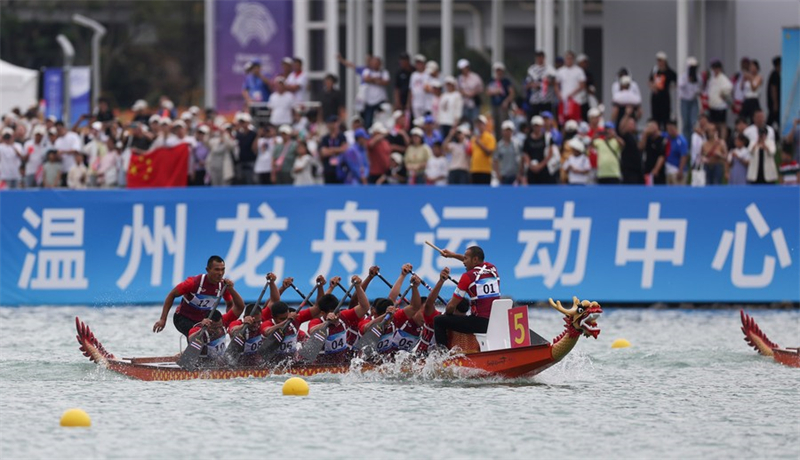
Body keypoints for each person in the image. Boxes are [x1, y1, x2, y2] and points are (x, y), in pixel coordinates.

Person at [153, 255, 246, 337]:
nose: (220, 273)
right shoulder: (193, 283)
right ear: (208, 270)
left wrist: (226, 323)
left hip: (204, 321)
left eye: (223, 269)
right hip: (182, 318)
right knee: (200, 335)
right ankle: (193, 352)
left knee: (211, 333)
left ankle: (189, 353)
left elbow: (230, 304)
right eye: (217, 270)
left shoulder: (223, 286)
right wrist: (163, 319)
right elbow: (171, 295)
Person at [433, 246, 500, 349]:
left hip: (481, 324)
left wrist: (447, 315)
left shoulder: (467, 277)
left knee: (439, 321)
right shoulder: (492, 268)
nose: (463, 262)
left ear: (475, 259)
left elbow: (451, 306)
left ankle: (443, 356)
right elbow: (474, 262)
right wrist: (453, 255)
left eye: (466, 259)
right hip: (496, 321)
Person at [306, 275, 371, 363]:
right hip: (321, 366)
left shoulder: (343, 316)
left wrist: (358, 287)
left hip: (342, 364)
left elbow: (364, 307)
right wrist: (326, 323)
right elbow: (311, 331)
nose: (336, 315)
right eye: (332, 312)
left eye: (337, 312)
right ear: (322, 313)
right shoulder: (316, 321)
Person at [555, 51, 586, 123]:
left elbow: (582, 85)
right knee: (563, 121)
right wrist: (559, 94)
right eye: (567, 58)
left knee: (575, 121)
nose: (569, 60)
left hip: (575, 100)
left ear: (573, 59)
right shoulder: (560, 71)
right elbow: (556, 84)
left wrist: (572, 93)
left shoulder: (579, 71)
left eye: (570, 58)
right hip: (564, 100)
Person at [486, 62, 515, 139]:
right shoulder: (492, 81)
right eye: (497, 70)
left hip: (503, 106)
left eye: (500, 70)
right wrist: (495, 91)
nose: (498, 72)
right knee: (495, 124)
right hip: (494, 105)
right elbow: (488, 92)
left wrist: (506, 101)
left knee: (503, 123)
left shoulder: (506, 81)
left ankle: (504, 138)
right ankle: (497, 139)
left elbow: (511, 93)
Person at [648, 51, 677, 129]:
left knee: (665, 118)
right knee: (655, 118)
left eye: (660, 61)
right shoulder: (655, 70)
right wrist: (653, 87)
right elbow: (650, 81)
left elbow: (676, 81)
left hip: (664, 98)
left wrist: (671, 87)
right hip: (656, 97)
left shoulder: (669, 72)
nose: (659, 63)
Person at [360, 56, 391, 129]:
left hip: (380, 100)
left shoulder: (384, 72)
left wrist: (373, 80)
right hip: (369, 101)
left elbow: (386, 82)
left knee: (383, 120)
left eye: (377, 63)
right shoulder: (367, 71)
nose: (375, 65)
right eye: (373, 63)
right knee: (368, 122)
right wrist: (377, 80)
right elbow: (366, 79)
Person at [525, 50, 557, 117]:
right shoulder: (531, 70)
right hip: (535, 100)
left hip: (547, 100)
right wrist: (534, 85)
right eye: (538, 57)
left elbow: (555, 82)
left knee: (547, 118)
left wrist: (547, 82)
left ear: (544, 58)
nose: (540, 59)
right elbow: (527, 84)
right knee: (535, 119)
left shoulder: (550, 69)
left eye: (541, 57)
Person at [522, 116, 553, 184]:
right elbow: (525, 154)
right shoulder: (527, 140)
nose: (537, 128)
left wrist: (540, 166)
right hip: (532, 169)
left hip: (544, 169)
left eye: (538, 126)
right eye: (535, 126)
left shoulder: (547, 138)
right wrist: (530, 165)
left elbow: (550, 154)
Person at [678, 57, 701, 141]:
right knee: (686, 123)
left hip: (693, 101)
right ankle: (686, 143)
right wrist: (688, 80)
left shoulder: (698, 77)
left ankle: (693, 142)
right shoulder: (683, 76)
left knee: (693, 122)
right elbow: (681, 86)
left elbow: (699, 88)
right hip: (685, 101)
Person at [319, 116, 348, 184]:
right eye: (331, 123)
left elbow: (344, 149)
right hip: (328, 169)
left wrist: (331, 150)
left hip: (340, 168)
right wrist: (337, 150)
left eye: (335, 122)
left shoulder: (342, 137)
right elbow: (323, 152)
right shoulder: (325, 138)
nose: (333, 125)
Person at [706, 60, 733, 132]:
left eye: (716, 68)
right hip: (713, 106)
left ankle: (723, 140)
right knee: (713, 124)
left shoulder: (723, 79)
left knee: (722, 124)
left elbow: (728, 88)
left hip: (720, 106)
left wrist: (724, 95)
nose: (715, 70)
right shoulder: (712, 78)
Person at [493, 120, 522, 185]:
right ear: (502, 131)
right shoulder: (499, 145)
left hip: (514, 175)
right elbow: (495, 160)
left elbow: (521, 160)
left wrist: (519, 174)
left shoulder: (517, 144)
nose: (508, 132)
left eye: (509, 130)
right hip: (503, 176)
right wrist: (498, 174)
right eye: (506, 130)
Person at [618, 110, 643, 184]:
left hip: (638, 168)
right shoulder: (625, 136)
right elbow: (621, 128)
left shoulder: (636, 136)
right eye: (631, 124)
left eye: (634, 123)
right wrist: (627, 114)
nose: (633, 125)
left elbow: (641, 147)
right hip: (629, 169)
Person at [470, 115, 496, 184]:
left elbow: (489, 152)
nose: (479, 126)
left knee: (485, 193)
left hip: (485, 170)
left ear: (485, 125)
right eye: (477, 124)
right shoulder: (474, 138)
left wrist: (479, 143)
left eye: (481, 123)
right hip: (475, 169)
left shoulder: (490, 137)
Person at [640, 119, 667, 185]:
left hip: (659, 172)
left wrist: (656, 169)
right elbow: (641, 147)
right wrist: (645, 134)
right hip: (647, 170)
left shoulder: (662, 139)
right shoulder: (647, 138)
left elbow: (662, 155)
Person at [663, 119, 689, 185]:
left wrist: (680, 171)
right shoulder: (667, 137)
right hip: (668, 170)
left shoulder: (681, 141)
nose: (669, 131)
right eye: (668, 129)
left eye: (671, 129)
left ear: (675, 128)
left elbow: (684, 156)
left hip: (677, 171)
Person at [766, 57, 781, 130]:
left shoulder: (776, 74)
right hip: (774, 104)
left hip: (775, 104)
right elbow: (773, 89)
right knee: (772, 120)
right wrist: (775, 103)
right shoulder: (774, 75)